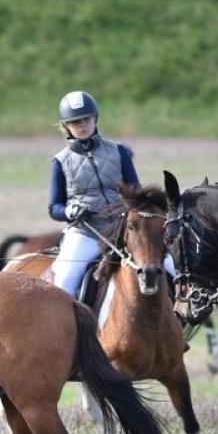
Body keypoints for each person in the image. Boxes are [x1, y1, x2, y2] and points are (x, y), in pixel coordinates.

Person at [47, 91, 160, 300]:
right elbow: (54, 208)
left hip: (124, 231)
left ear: (95, 119)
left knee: (169, 266)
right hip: (86, 233)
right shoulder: (60, 161)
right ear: (66, 126)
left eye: (86, 119)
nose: (82, 125)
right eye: (75, 122)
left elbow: (137, 191)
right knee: (65, 280)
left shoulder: (119, 151)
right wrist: (71, 211)